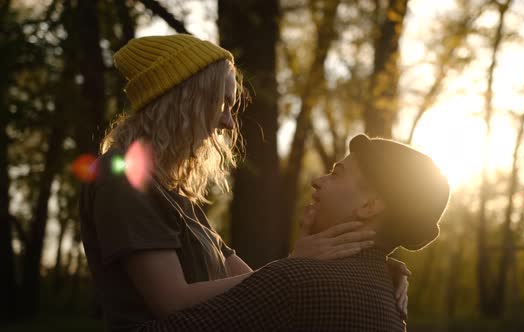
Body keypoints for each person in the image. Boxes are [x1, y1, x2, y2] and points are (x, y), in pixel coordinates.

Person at [78, 34, 409, 332]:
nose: (227, 121)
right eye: (223, 103)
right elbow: (171, 301)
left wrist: (370, 268)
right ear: (184, 100)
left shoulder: (176, 195)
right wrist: (295, 265)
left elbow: (251, 290)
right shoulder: (122, 178)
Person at [136, 134, 451, 332]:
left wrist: (290, 266)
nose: (318, 181)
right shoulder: (391, 298)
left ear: (370, 205)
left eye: (336, 174)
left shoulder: (296, 283)